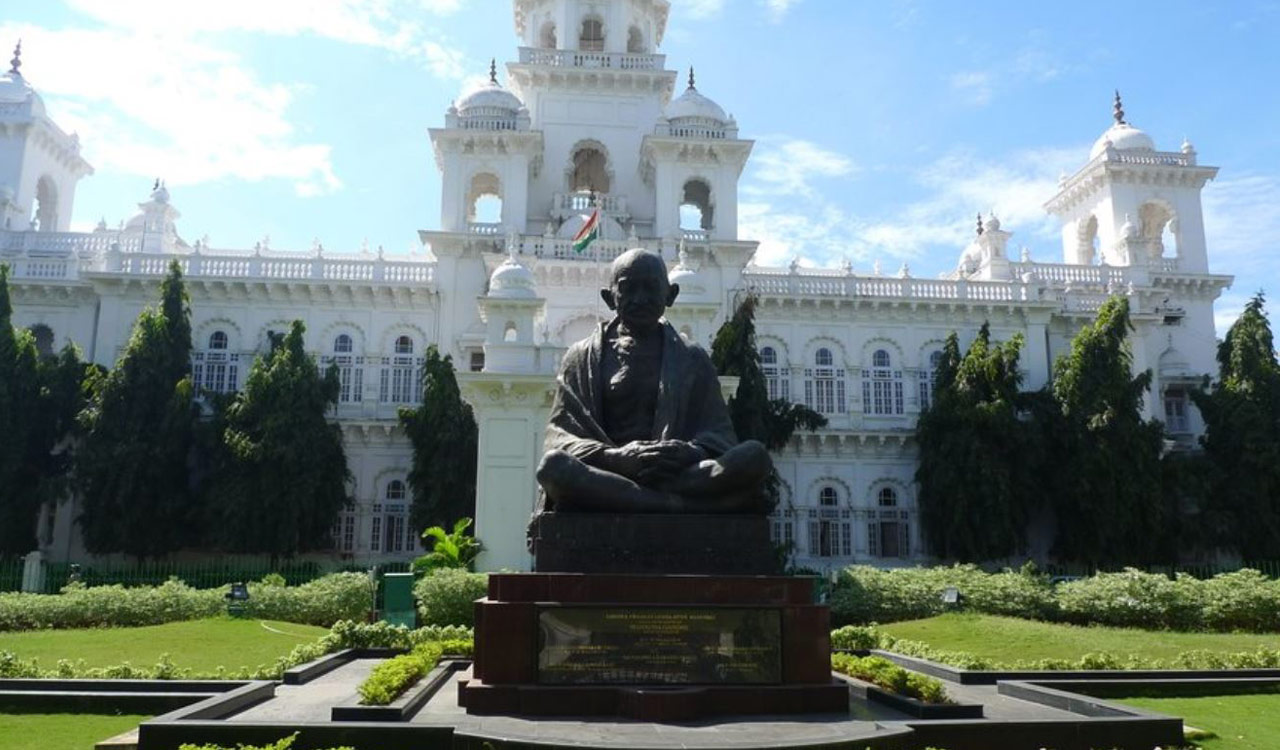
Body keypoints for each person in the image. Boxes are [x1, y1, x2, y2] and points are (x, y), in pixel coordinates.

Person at [535, 248, 771, 514]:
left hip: (678, 474)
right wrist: (616, 458)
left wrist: (689, 453)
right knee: (553, 467)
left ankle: (644, 500)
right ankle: (677, 506)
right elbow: (559, 438)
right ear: (609, 298)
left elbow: (719, 434)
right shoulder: (581, 358)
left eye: (651, 288)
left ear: (670, 295)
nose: (640, 298)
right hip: (610, 472)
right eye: (628, 288)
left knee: (754, 457)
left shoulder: (693, 359)